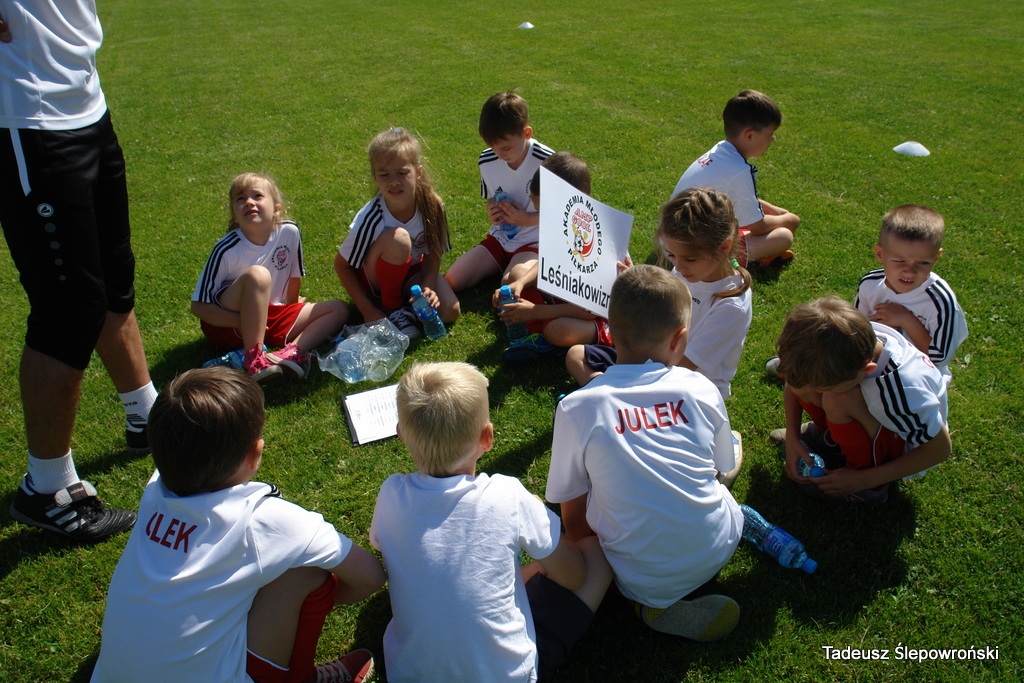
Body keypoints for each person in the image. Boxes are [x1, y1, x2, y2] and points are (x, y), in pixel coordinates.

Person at [91, 367, 385, 683]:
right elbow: (370, 576)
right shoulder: (267, 521)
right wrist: (304, 606)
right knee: (307, 571)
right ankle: (300, 678)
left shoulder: (154, 491)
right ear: (255, 453)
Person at [1, 0, 158, 542]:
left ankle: (146, 415)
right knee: (67, 309)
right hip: (27, 114)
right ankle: (46, 487)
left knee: (114, 280)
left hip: (86, 102)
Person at [371, 362, 612, 682]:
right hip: (506, 675)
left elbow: (382, 545)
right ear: (487, 437)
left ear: (401, 434)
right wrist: (542, 517)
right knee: (595, 554)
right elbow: (574, 576)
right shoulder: (507, 496)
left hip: (410, 675)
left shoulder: (391, 494)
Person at [547, 266, 743, 641]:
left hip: (636, 577)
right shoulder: (700, 387)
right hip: (720, 545)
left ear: (609, 328)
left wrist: (593, 551)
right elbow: (722, 467)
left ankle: (648, 603)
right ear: (679, 339)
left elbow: (572, 510)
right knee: (721, 466)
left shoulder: (577, 407)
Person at [566, 189, 753, 403]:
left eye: (690, 259)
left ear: (724, 248)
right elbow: (659, 306)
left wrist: (629, 374)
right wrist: (636, 280)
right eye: (671, 255)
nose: (678, 267)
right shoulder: (687, 271)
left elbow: (684, 366)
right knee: (576, 356)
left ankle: (613, 397)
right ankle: (617, 397)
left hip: (688, 387)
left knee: (627, 384)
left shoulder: (731, 306)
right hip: (655, 358)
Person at [772, 297, 951, 503]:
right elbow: (795, 382)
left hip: (902, 445)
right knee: (807, 382)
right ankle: (829, 438)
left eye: (826, 387)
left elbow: (939, 450)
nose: (816, 392)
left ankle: (868, 490)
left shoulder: (904, 392)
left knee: (839, 399)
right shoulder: (846, 341)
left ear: (867, 369)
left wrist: (862, 480)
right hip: (872, 411)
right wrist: (793, 438)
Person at [192, 173, 349, 383]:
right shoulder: (226, 249)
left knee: (339, 309)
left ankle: (288, 354)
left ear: (277, 208)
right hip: (227, 324)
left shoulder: (289, 232)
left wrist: (292, 308)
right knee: (258, 275)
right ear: (234, 214)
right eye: (241, 199)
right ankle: (254, 360)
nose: (249, 202)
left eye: (257, 196)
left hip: (268, 316)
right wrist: (243, 321)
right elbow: (199, 307)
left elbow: (294, 276)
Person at [334, 127, 458, 337]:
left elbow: (434, 251)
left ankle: (410, 305)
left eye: (402, 173)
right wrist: (366, 309)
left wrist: (428, 286)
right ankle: (392, 308)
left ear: (418, 172)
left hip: (411, 270)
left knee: (449, 311)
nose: (393, 181)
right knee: (399, 238)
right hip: (376, 278)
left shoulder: (433, 206)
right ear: (375, 176)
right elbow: (342, 265)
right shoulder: (371, 216)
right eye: (384, 174)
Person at [491, 152, 613, 362]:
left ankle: (545, 335)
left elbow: (588, 310)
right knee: (516, 274)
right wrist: (520, 283)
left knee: (558, 330)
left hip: (600, 317)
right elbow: (547, 262)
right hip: (566, 296)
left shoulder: (598, 237)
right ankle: (539, 337)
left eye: (549, 210)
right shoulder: (561, 223)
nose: (544, 217)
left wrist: (534, 312)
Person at [671, 89, 800, 268]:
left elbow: (743, 201)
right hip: (688, 253)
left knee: (748, 221)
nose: (773, 139)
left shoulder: (721, 151)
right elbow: (759, 227)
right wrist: (790, 219)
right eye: (770, 133)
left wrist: (778, 213)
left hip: (671, 241)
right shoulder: (738, 169)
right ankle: (731, 262)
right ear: (749, 136)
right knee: (783, 236)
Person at [444, 90, 554, 294]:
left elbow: (563, 216)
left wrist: (526, 219)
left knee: (511, 282)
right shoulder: (487, 160)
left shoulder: (548, 162)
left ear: (527, 133)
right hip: (500, 238)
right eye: (492, 147)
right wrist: (492, 211)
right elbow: (491, 197)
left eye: (506, 148)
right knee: (453, 279)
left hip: (534, 242)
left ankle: (534, 307)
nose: (499, 155)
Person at [854, 204, 967, 381]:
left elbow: (939, 358)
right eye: (900, 261)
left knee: (844, 392)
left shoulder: (940, 301)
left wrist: (906, 320)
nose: (910, 271)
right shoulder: (871, 283)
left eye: (923, 263)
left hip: (921, 375)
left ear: (936, 257)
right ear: (880, 254)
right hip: (878, 363)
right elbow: (857, 328)